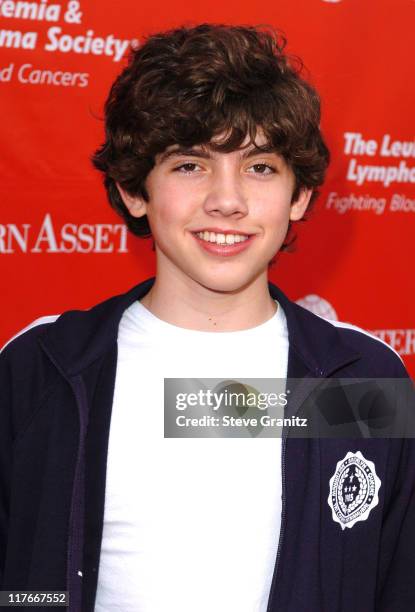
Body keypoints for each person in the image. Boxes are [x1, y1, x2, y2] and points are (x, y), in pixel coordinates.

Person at [1, 23, 414, 612]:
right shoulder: (43, 368)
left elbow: (392, 583)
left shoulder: (363, 379)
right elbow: (18, 583)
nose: (228, 199)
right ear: (134, 189)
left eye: (261, 167)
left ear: (299, 195)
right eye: (191, 165)